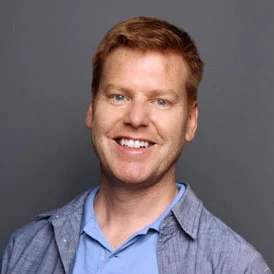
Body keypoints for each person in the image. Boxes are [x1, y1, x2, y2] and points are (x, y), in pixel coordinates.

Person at [0, 16, 271, 274]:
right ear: (92, 109)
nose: (136, 118)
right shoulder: (24, 249)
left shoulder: (236, 266)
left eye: (161, 101)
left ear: (190, 121)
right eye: (119, 96)